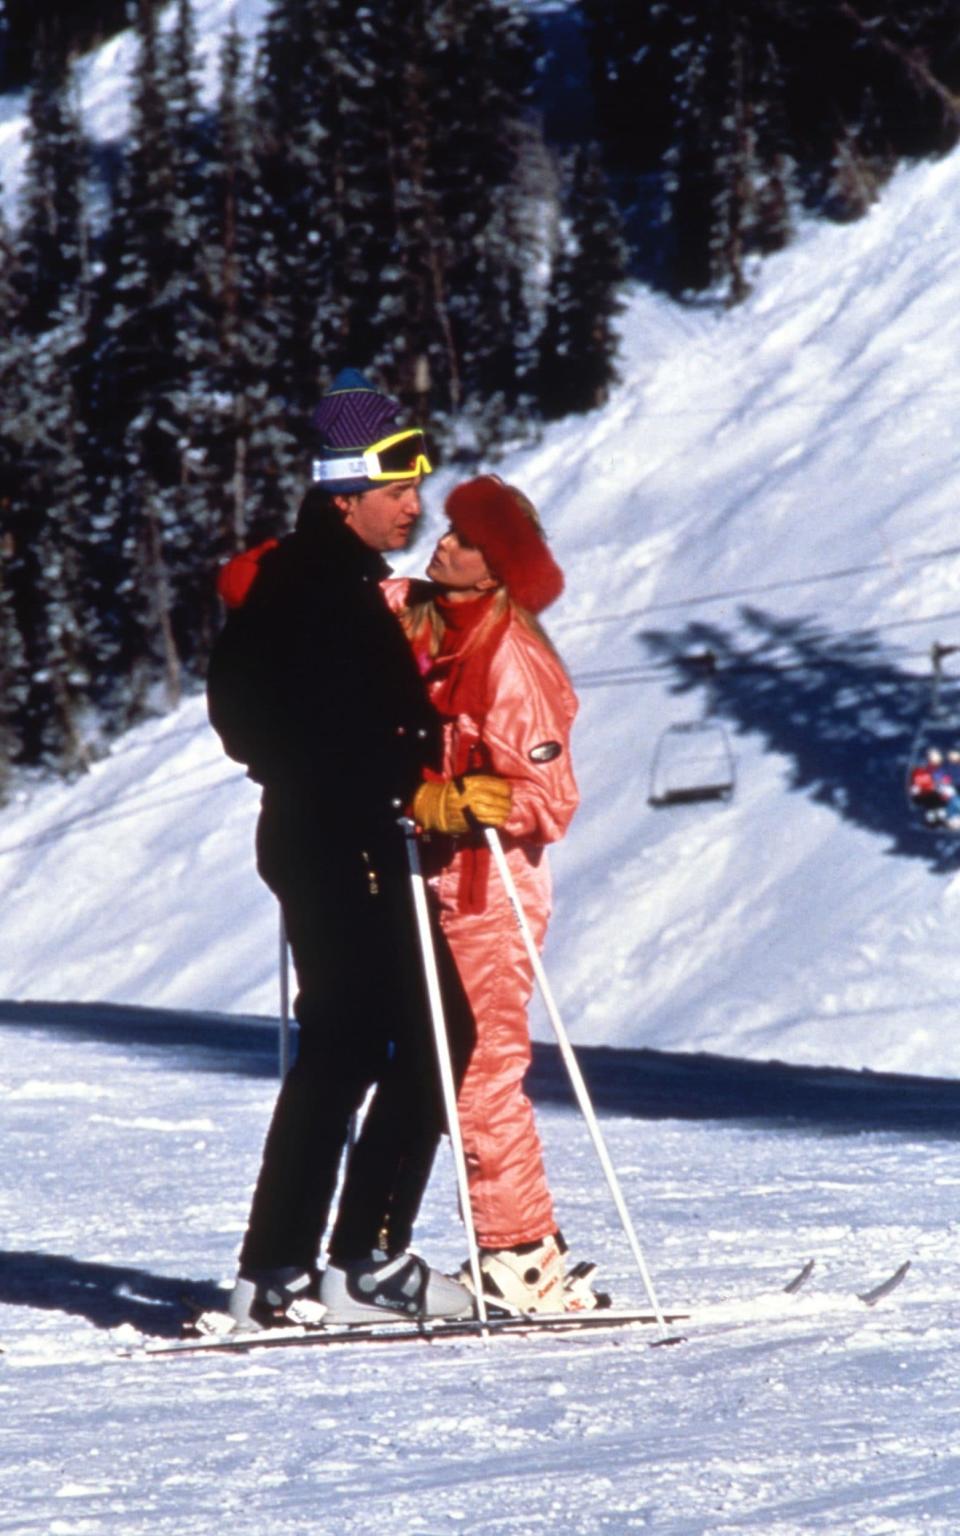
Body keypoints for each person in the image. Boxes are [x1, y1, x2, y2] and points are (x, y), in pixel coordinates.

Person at [206, 369, 488, 1329]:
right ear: (346, 493)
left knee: (343, 1045)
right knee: (434, 1029)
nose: (414, 506)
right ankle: (357, 1260)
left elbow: (254, 715)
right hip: (346, 838)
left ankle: (279, 1270)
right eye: (397, 491)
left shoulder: (313, 576)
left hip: (323, 833)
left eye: (416, 488)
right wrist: (403, 786)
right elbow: (288, 720)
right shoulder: (319, 589)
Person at [383, 474, 590, 1314]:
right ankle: (510, 1250)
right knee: (439, 1064)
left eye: (469, 541)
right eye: (451, 530)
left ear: (499, 568)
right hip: (430, 874)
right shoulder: (424, 617)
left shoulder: (515, 661)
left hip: (493, 888)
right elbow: (341, 596)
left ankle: (521, 1253)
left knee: (482, 1070)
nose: (445, 544)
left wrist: (485, 795)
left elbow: (551, 797)